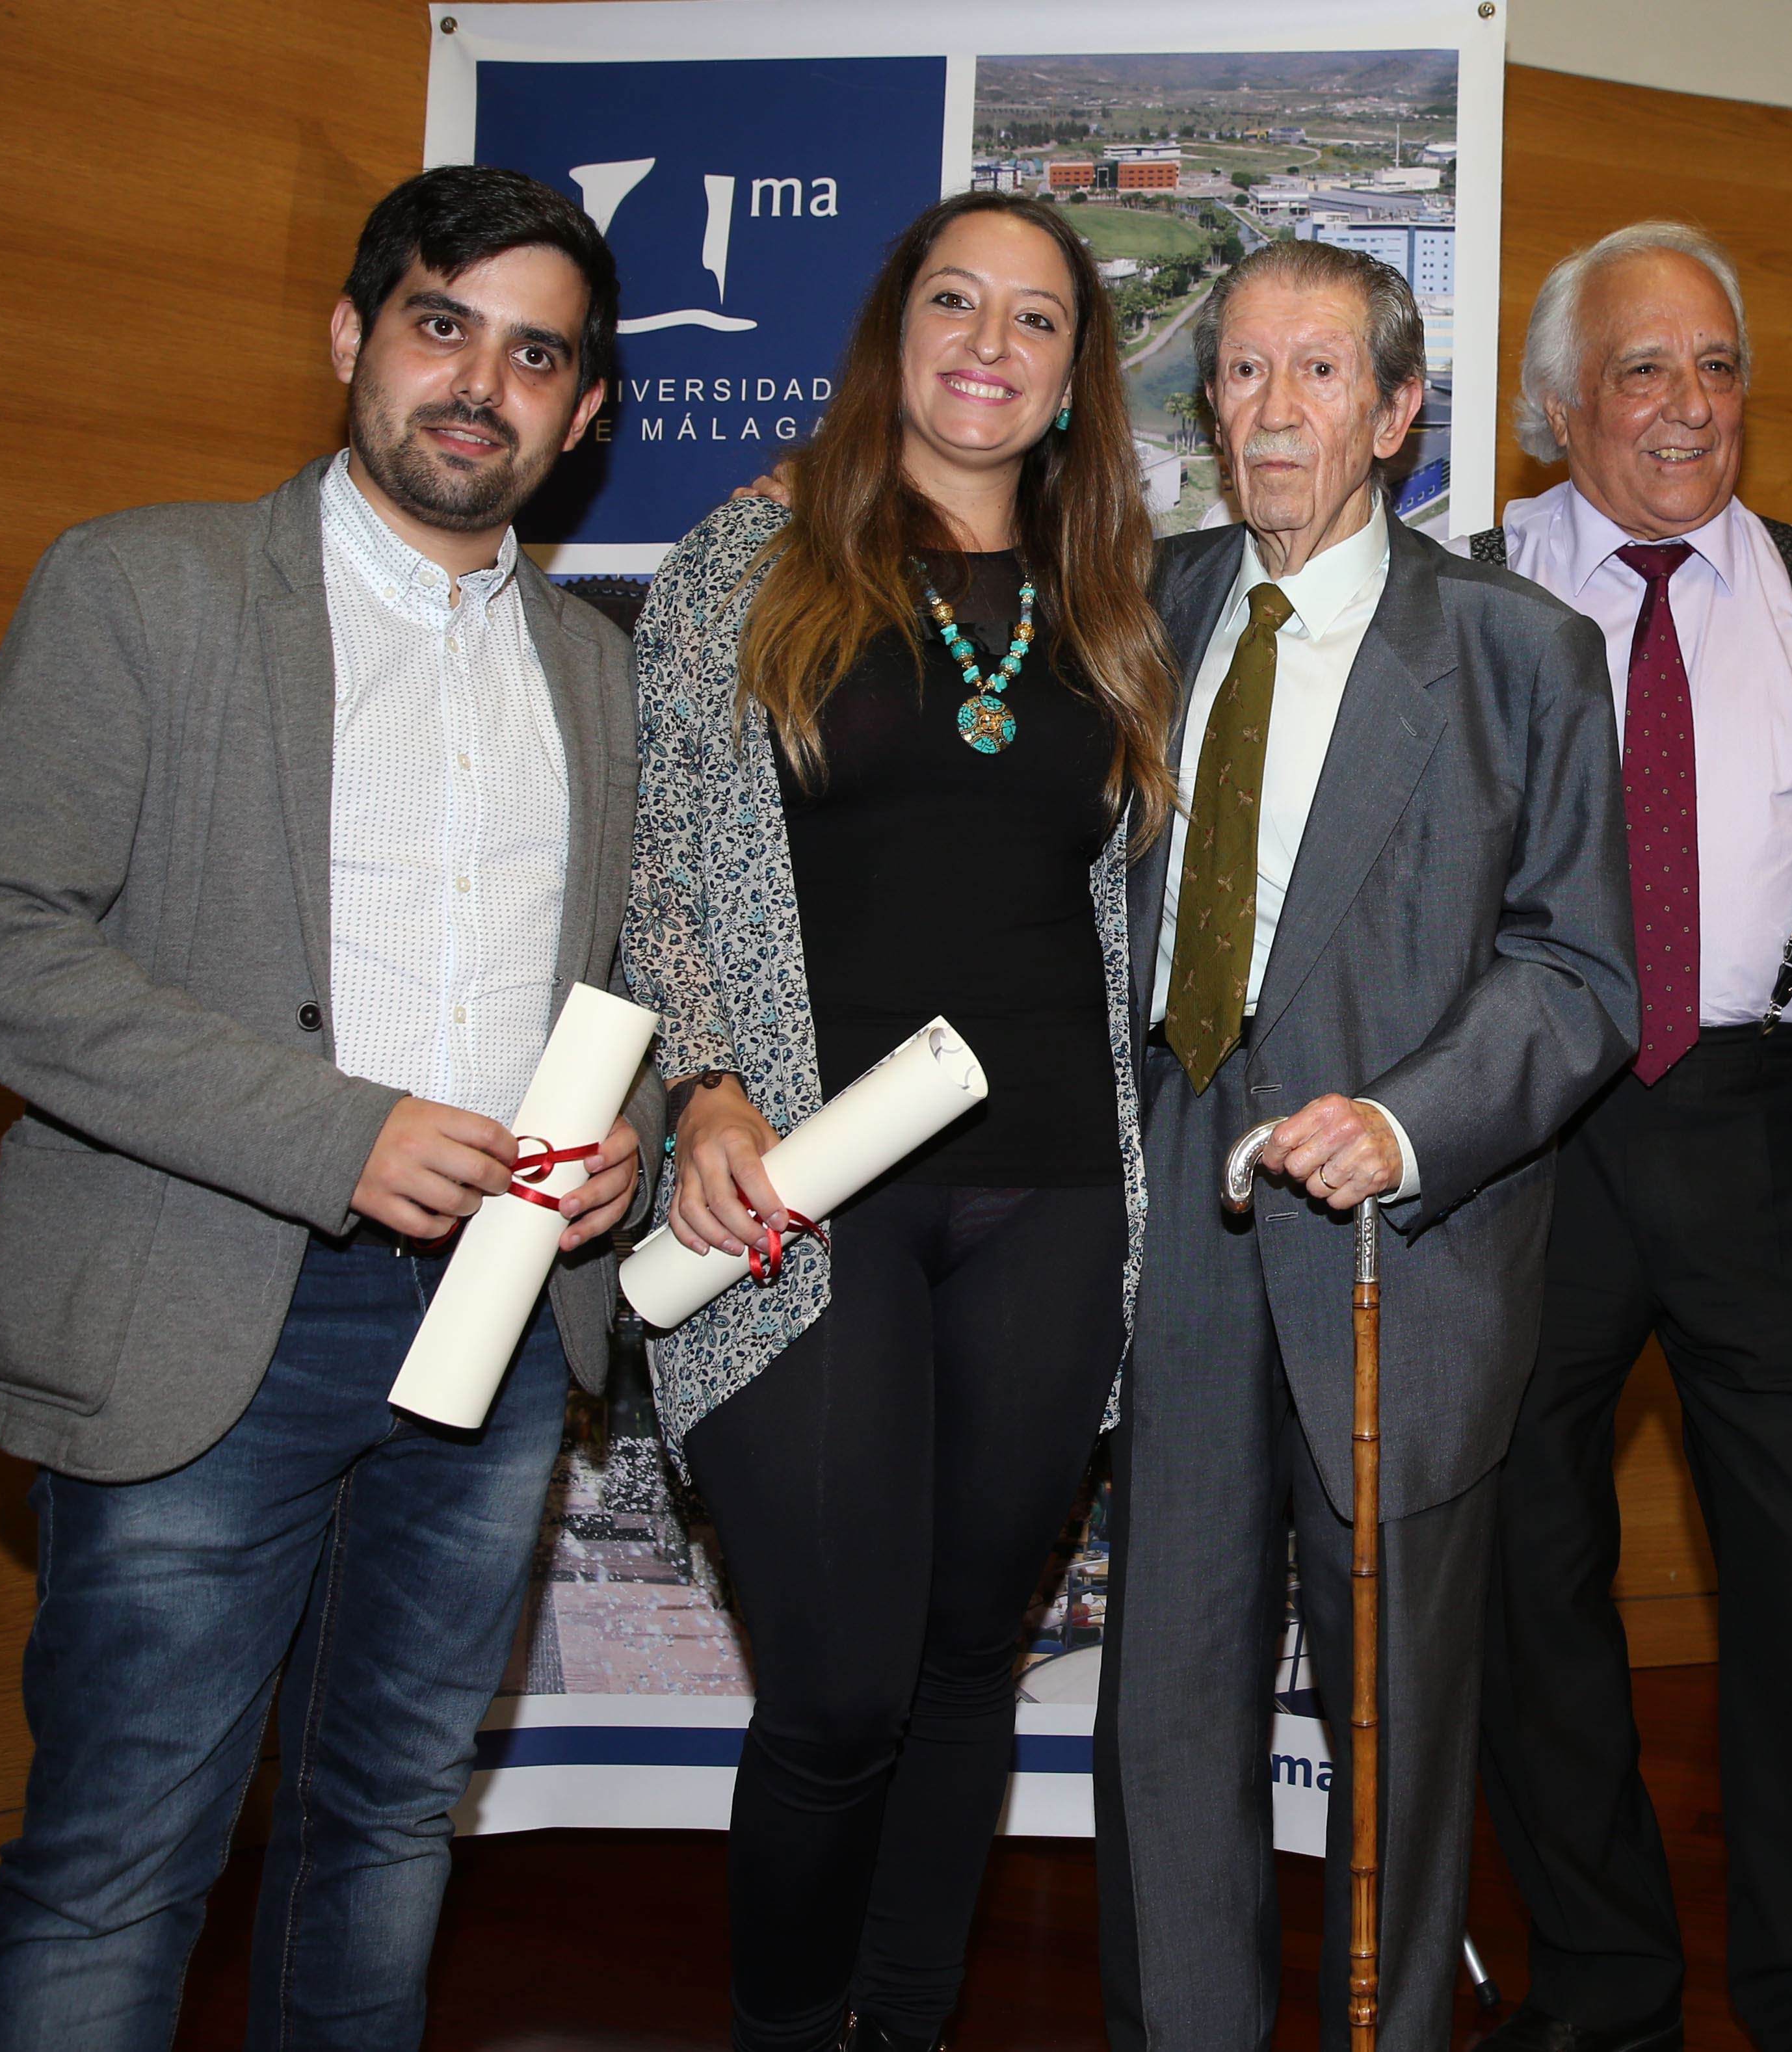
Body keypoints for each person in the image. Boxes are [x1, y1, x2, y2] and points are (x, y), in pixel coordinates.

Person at [0, 164, 655, 2048]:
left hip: (493, 1337)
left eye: (534, 354)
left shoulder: (599, 670)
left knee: (388, 1827)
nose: (480, 382)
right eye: (440, 324)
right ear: (352, 336)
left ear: (581, 413)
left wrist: (623, 1145)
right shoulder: (141, 584)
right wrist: (338, 1129)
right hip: (204, 1309)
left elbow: (603, 976)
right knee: (120, 1859)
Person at [621, 189, 1170, 2052]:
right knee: (839, 1690)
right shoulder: (746, 560)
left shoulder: (1116, 601)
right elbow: (671, 861)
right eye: (958, 302)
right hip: (809, 1192)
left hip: (1056, 1195)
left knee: (959, 1666)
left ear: (1077, 378)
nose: (991, 345)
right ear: (892, 329)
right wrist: (701, 1077)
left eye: (1037, 320)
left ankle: (908, 2023)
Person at [1095, 236, 1641, 2051]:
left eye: (1318, 373)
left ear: (1401, 411)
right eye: (1240, 372)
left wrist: (1408, 1122)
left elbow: (1580, 973)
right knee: (1165, 1707)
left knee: (1396, 1731)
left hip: (1397, 1244)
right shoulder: (1141, 608)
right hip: (1172, 1204)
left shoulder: (1521, 653)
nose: (1268, 410)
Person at [1456, 222, 1792, 2052]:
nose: (1686, 403)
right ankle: (1600, 1987)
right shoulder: (1458, 584)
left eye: (1715, 365)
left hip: (1760, 1118)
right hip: (1524, 1128)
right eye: (1642, 369)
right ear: (1557, 405)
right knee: (1519, 1578)